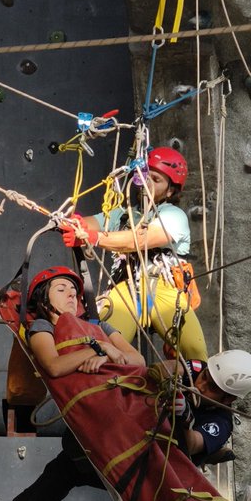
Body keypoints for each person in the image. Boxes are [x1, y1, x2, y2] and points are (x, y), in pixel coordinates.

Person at [0, 270, 251, 501]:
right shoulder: (190, 370)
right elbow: (152, 369)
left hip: (151, 469)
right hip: (129, 438)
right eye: (205, 376)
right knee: (64, 469)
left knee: (68, 466)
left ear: (228, 400)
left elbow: (194, 443)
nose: (202, 383)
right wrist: (108, 353)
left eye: (211, 388)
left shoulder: (220, 421)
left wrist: (182, 415)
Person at [0, 266, 145, 501]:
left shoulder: (100, 326)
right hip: (97, 424)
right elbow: (54, 365)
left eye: (74, 291)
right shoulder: (42, 327)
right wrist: (100, 350)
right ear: (43, 300)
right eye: (61, 290)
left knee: (64, 470)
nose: (71, 295)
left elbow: (138, 363)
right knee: (66, 467)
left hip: (116, 418)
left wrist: (106, 352)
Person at [60, 146, 209, 362]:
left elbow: (141, 240)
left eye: (156, 179)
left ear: (170, 191)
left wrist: (94, 238)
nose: (147, 182)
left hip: (165, 290)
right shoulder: (123, 215)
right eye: (145, 176)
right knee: (101, 345)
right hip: (127, 290)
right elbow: (92, 222)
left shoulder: (173, 215)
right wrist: (76, 224)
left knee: (196, 354)